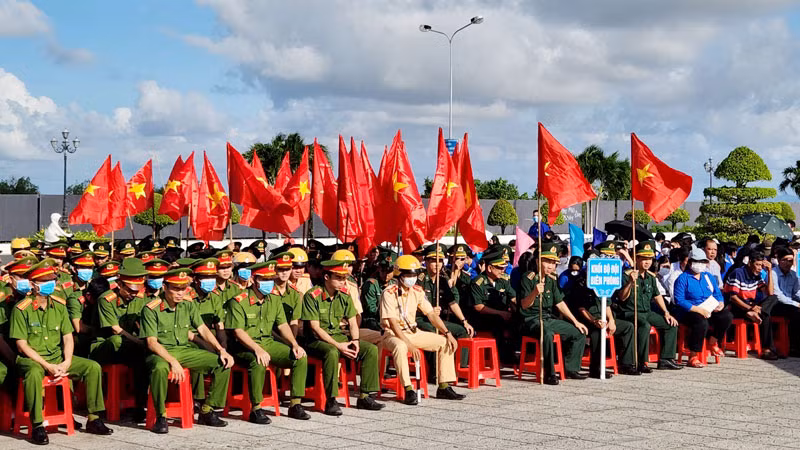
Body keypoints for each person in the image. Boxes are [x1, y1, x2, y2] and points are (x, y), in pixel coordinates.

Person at [11, 259, 113, 444]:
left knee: (92, 367)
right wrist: (47, 365)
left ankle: (94, 418)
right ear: (33, 284)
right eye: (45, 281)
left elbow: (67, 337)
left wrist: (66, 361)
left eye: (52, 279)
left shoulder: (58, 305)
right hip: (33, 360)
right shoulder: (21, 309)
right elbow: (22, 345)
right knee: (34, 374)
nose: (50, 284)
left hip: (58, 357)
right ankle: (38, 425)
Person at [140, 267, 234, 433]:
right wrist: (172, 361)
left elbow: (203, 329)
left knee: (222, 363)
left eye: (183, 289)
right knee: (160, 369)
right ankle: (160, 416)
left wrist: (221, 350)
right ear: (165, 287)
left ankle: (207, 410)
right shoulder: (151, 308)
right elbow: (152, 343)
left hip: (184, 350)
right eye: (175, 288)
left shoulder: (188, 304)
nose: (180, 293)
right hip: (161, 352)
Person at [225, 260, 310, 422]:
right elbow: (238, 331)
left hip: (268, 343)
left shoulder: (274, 299)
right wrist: (257, 349)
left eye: (271, 279)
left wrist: (294, 344)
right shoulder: (238, 301)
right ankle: (256, 407)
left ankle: (295, 403)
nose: (268, 283)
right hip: (244, 346)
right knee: (257, 362)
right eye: (264, 280)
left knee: (300, 357)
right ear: (255, 279)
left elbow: (283, 324)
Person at [301, 258, 384, 416]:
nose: (343, 282)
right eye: (338, 278)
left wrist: (355, 341)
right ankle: (331, 399)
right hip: (315, 341)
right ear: (327, 277)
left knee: (370, 350)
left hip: (338, 336)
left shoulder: (344, 296)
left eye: (344, 278)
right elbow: (315, 327)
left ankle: (366, 395)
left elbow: (353, 322)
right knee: (332, 352)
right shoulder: (312, 296)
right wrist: (339, 346)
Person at [380, 254, 466, 405]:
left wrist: (448, 333)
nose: (412, 278)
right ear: (399, 275)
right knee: (400, 347)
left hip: (413, 332)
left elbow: (431, 314)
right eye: (408, 275)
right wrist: (408, 344)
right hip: (393, 334)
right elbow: (392, 323)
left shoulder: (417, 291)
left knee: (444, 342)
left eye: (414, 274)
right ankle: (408, 389)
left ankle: (444, 386)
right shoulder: (389, 293)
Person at [88, 259, 150, 422]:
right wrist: (139, 343)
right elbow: (115, 329)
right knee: (117, 341)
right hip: (103, 346)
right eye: (130, 290)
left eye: (136, 291)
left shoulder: (140, 298)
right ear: (119, 284)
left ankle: (140, 405)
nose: (133, 295)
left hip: (129, 347)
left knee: (145, 359)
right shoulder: (105, 300)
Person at [518, 242, 588, 385]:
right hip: (530, 320)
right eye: (547, 262)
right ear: (538, 261)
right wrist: (535, 292)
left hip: (547, 318)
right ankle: (549, 373)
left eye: (554, 263)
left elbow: (559, 302)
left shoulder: (551, 279)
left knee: (578, 332)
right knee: (547, 333)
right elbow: (524, 305)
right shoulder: (528, 278)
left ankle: (571, 368)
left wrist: (575, 322)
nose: (551, 266)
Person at [615, 241, 682, 372]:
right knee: (643, 325)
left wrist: (666, 312)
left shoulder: (651, 277)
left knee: (670, 324)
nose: (647, 262)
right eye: (644, 259)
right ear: (636, 258)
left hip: (647, 311)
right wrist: (630, 283)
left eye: (650, 259)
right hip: (630, 311)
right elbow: (622, 297)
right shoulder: (626, 275)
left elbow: (657, 296)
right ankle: (641, 361)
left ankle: (666, 359)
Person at [673, 248, 733, 368]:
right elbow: (679, 300)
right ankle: (693, 355)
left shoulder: (708, 277)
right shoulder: (683, 278)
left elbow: (717, 293)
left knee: (726, 316)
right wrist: (698, 309)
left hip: (709, 307)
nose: (699, 264)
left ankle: (713, 341)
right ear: (690, 262)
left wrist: (720, 303)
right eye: (696, 261)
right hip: (690, 311)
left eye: (702, 261)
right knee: (701, 322)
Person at [723, 250, 779, 360]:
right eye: (757, 265)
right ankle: (767, 349)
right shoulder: (738, 273)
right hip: (736, 307)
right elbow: (733, 297)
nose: (759, 268)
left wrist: (769, 272)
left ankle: (759, 313)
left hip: (751, 307)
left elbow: (770, 293)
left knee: (773, 299)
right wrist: (750, 308)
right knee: (765, 316)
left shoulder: (757, 275)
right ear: (750, 263)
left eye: (761, 265)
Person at [469, 250, 517, 363]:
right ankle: (501, 357)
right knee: (498, 322)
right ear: (490, 268)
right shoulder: (478, 282)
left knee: (519, 321)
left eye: (504, 267)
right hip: (483, 318)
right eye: (499, 268)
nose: (503, 270)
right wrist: (500, 313)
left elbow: (513, 297)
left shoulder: (503, 281)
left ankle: (513, 353)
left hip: (503, 315)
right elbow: (478, 307)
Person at [771, 246, 800, 355]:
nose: (788, 263)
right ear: (779, 260)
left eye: (790, 261)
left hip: (790, 304)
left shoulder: (793, 275)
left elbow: (796, 292)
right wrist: (796, 304)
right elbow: (777, 295)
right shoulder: (773, 273)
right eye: (785, 260)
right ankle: (793, 346)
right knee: (797, 313)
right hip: (776, 305)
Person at [360, 249, 396, 331]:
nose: (386, 275)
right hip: (374, 318)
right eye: (383, 271)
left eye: (389, 271)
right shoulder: (370, 284)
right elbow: (371, 309)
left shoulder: (394, 283)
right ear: (379, 269)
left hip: (392, 317)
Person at [271, 252, 304, 338]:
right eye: (281, 269)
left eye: (287, 269)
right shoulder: (267, 292)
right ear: (274, 270)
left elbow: (294, 321)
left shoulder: (295, 294)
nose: (284, 273)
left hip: (289, 337)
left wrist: (293, 342)